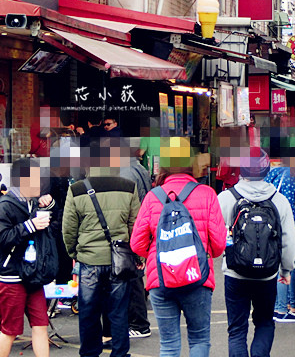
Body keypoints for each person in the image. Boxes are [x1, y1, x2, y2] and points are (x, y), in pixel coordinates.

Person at [129, 137, 226, 357]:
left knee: (169, 345)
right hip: (198, 277)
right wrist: (204, 252)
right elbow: (219, 244)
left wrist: (156, 253)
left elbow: (136, 243)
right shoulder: (207, 194)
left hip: (161, 278)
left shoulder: (153, 197)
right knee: (199, 339)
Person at [62, 147, 141, 357]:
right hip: (120, 260)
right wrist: (137, 256)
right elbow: (135, 226)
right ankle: (120, 353)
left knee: (88, 312)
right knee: (119, 311)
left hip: (89, 260)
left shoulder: (77, 189)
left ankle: (89, 353)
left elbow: (68, 228)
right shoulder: (128, 187)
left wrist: (74, 252)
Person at [218, 148, 295, 356]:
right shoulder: (279, 200)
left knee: (237, 329)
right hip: (267, 274)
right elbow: (288, 241)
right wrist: (286, 270)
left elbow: (216, 236)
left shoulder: (226, 198)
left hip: (235, 273)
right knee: (264, 323)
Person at [0, 158, 55, 357]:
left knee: (41, 325)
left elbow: (52, 223)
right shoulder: (4, 205)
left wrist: (49, 205)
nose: (41, 182)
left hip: (32, 273)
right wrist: (30, 226)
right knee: (10, 330)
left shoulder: (31, 202)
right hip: (11, 275)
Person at [264, 154, 295, 322]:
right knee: (285, 267)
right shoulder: (288, 175)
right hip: (282, 226)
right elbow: (289, 206)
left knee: (275, 266)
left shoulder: (272, 173)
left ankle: (278, 306)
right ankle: (281, 309)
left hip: (269, 225)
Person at [123, 138, 153, 339]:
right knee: (136, 273)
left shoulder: (125, 172)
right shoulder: (140, 169)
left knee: (132, 276)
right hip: (143, 223)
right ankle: (138, 320)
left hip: (132, 225)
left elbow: (127, 203)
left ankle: (139, 323)